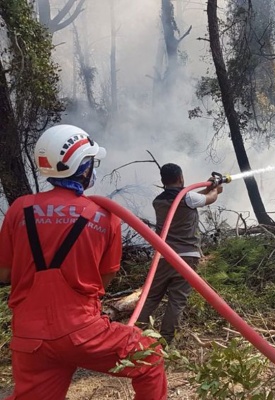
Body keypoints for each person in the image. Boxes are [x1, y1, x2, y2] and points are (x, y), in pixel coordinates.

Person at [0, 124, 167, 400]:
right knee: (149, 356)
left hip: (29, 339)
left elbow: (5, 272)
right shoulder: (103, 215)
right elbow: (104, 279)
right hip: (82, 332)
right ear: (83, 167)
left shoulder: (19, 209)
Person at [137, 163, 222, 344]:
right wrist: (215, 189)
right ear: (181, 178)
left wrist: (208, 185)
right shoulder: (188, 197)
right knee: (177, 300)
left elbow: (191, 198)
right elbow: (210, 198)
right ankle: (166, 342)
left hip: (164, 255)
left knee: (152, 296)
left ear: (162, 181)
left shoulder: (158, 201)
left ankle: (134, 333)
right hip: (187, 256)